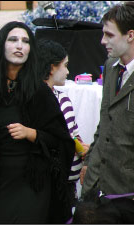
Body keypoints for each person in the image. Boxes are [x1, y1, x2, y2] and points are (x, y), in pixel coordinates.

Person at [0, 21, 75, 223]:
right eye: (13, 40)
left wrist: (32, 134)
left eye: (25, 41)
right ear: (1, 45)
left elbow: (62, 142)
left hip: (32, 184)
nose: (19, 45)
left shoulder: (40, 92)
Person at [81, 1, 134, 215]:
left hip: (130, 196)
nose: (102, 41)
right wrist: (89, 163)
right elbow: (105, 120)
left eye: (109, 35)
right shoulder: (110, 66)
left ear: (130, 35)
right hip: (95, 189)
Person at [38, 39, 90, 209]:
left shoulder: (64, 98)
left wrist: (83, 150)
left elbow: (73, 134)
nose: (68, 71)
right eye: (65, 65)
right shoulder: (39, 100)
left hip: (70, 184)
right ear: (52, 67)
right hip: (53, 184)